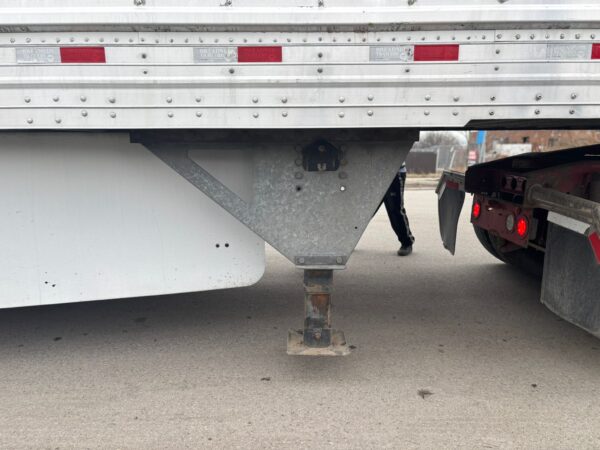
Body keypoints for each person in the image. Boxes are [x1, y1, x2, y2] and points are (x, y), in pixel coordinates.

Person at [383, 162, 415, 256]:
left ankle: (406, 243)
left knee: (395, 209)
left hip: (395, 172)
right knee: (364, 209)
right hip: (373, 172)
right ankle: (349, 239)